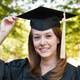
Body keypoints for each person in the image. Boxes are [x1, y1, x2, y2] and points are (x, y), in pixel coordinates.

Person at [0, 6, 77, 80]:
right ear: (32, 41)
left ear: (58, 39)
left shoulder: (74, 75)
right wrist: (2, 34)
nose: (42, 42)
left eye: (48, 36)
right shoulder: (18, 71)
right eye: (37, 37)